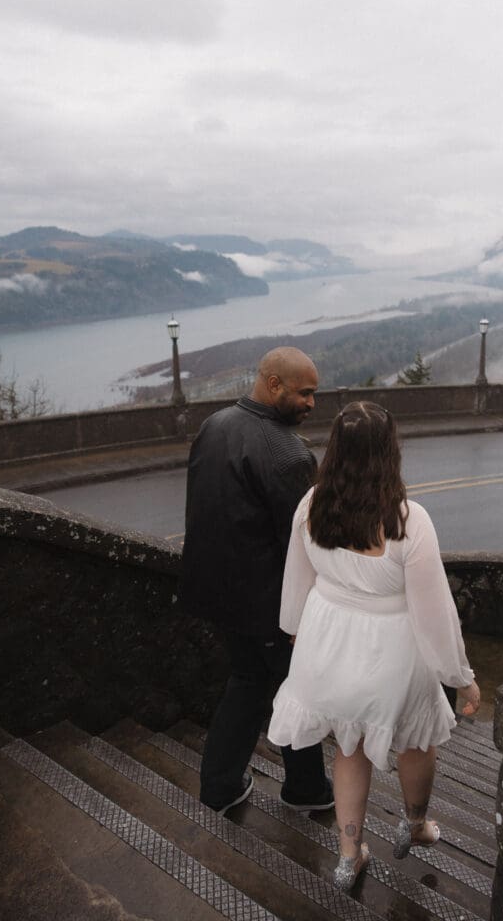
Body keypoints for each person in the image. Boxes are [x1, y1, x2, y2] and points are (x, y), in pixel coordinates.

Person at [267, 400, 480, 891]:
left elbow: (296, 581)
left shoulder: (312, 505)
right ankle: (414, 824)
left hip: (329, 641)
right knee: (415, 740)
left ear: (335, 448)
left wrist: (298, 633)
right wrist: (460, 676)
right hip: (392, 650)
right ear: (390, 451)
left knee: (348, 745)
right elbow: (434, 611)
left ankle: (348, 855)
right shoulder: (408, 520)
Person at [180, 346, 333, 815]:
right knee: (280, 690)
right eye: (304, 393)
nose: (311, 403)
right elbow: (309, 542)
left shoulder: (214, 425)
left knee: (256, 683)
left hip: (215, 592)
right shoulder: (288, 452)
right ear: (273, 385)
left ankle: (263, 784)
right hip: (266, 605)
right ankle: (274, 788)